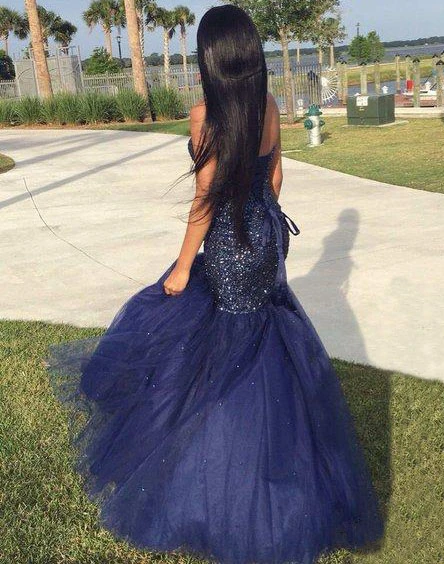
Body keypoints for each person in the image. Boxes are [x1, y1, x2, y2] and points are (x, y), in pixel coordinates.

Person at [45, 5, 384, 564]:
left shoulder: (205, 114)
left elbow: (205, 197)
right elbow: (276, 174)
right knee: (261, 340)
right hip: (267, 236)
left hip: (228, 240)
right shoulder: (268, 104)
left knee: (224, 348)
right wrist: (263, 219)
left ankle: (227, 470)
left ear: (211, 61)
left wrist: (183, 266)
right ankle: (273, 455)